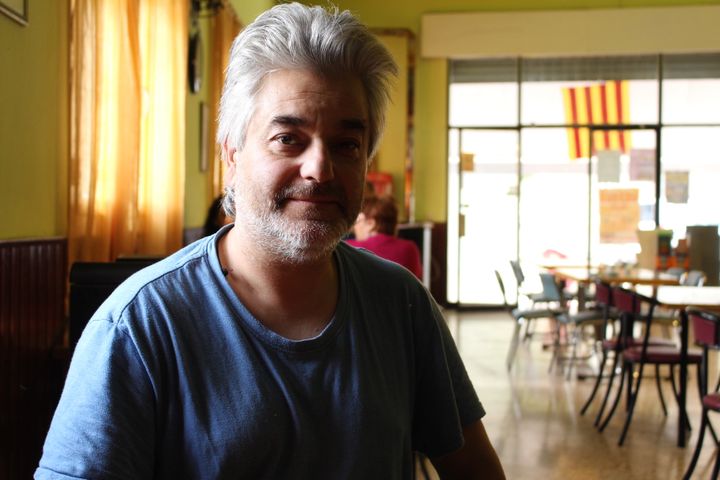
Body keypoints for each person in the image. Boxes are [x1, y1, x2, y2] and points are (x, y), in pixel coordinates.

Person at [36, 4, 505, 479]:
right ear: (233, 155)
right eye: (288, 138)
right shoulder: (140, 326)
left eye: (347, 145)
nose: (320, 170)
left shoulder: (402, 305)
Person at [346, 194, 423, 279]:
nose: (354, 228)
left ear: (370, 223)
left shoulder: (349, 248)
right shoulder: (410, 248)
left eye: (357, 222)